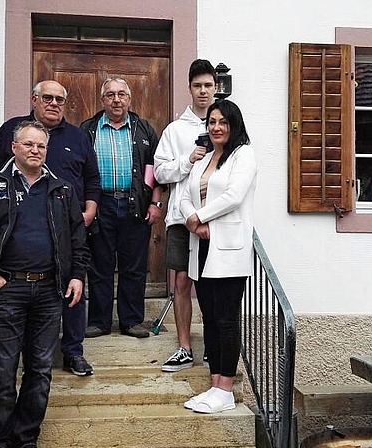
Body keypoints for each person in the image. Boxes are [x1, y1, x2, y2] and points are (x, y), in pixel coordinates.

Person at [0, 80, 100, 377]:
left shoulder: (78, 136)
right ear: (34, 100)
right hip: (23, 236)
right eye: (48, 98)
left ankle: (73, 351)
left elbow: (91, 177)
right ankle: (19, 360)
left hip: (67, 227)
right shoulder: (13, 130)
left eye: (59, 99)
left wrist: (91, 208)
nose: (54, 103)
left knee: (72, 289)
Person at [0, 120, 90, 448]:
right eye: (29, 145)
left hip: (50, 290)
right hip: (8, 290)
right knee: (3, 369)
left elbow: (78, 239)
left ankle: (26, 437)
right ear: (14, 148)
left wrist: (76, 276)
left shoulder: (62, 190)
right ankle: (2, 438)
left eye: (41, 146)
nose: (35, 150)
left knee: (40, 368)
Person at [179, 100, 257, 414]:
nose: (216, 127)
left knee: (226, 320)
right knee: (209, 318)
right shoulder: (205, 158)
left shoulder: (244, 155)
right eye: (211, 122)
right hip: (202, 246)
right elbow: (185, 195)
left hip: (228, 248)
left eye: (222, 121)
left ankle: (226, 387)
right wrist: (192, 221)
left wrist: (200, 217)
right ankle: (214, 386)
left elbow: (234, 196)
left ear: (233, 124)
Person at [79, 77, 164, 338]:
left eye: (121, 95)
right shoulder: (88, 129)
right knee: (99, 265)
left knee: (134, 266)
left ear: (129, 98)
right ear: (102, 100)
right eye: (110, 95)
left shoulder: (143, 129)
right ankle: (99, 321)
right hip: (99, 204)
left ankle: (131, 320)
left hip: (134, 204)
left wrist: (155, 202)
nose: (116, 99)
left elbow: (155, 170)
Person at [154, 59, 216, 371]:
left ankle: (212, 346)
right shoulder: (175, 130)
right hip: (180, 218)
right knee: (181, 281)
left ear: (215, 87)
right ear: (189, 88)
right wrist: (187, 159)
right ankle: (183, 347)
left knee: (211, 282)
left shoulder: (225, 125)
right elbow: (161, 173)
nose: (202, 91)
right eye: (197, 86)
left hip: (214, 218)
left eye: (208, 85)